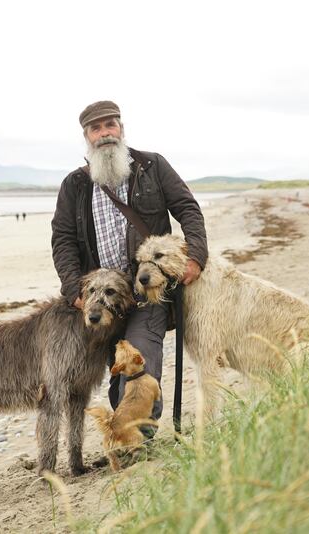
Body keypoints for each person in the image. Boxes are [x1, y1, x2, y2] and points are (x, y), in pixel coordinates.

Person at [51, 100, 207, 436]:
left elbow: (188, 209)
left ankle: (139, 438)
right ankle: (124, 434)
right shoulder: (74, 185)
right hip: (102, 300)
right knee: (118, 368)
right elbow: (62, 240)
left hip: (147, 289)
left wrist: (195, 256)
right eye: (97, 128)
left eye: (110, 125)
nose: (105, 133)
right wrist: (73, 291)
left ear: (121, 128)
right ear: (86, 136)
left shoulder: (152, 165)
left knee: (141, 359)